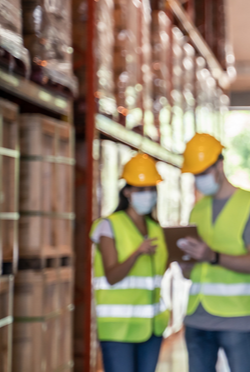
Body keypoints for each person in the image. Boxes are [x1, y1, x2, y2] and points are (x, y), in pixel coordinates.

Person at [177, 133, 250, 372]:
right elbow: (192, 273)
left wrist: (212, 256)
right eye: (195, 175)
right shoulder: (198, 209)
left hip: (236, 319)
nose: (199, 179)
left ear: (219, 165)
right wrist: (185, 264)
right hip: (197, 317)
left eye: (203, 173)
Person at [90, 153, 170, 372]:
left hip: (152, 328)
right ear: (127, 192)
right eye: (141, 189)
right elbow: (112, 276)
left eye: (152, 189)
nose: (148, 195)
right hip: (118, 330)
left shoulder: (156, 229)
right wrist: (137, 253)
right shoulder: (108, 226)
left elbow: (158, 274)